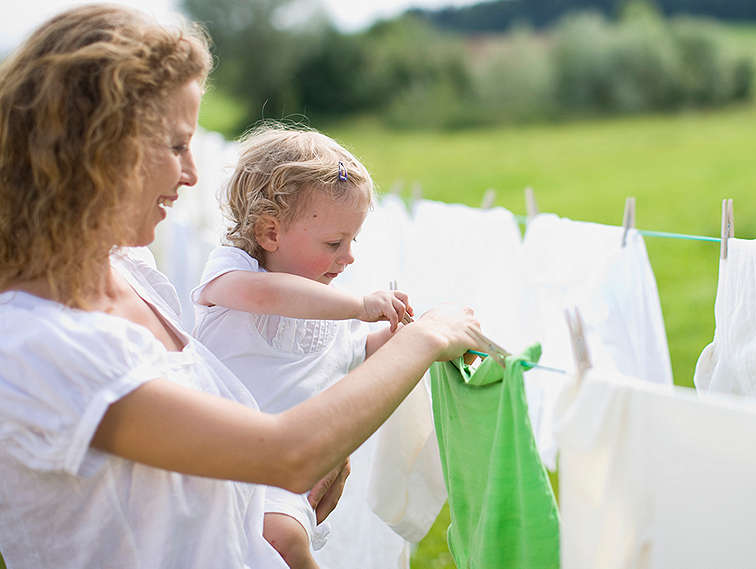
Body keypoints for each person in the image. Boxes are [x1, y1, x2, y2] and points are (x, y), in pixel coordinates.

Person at [0, 5, 482, 569]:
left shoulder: (126, 268)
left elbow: (211, 448)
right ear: (103, 148)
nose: (193, 174)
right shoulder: (33, 346)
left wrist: (304, 464)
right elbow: (285, 452)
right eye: (177, 145)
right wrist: (424, 339)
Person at [190, 125, 413, 569]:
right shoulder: (232, 273)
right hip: (219, 459)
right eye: (334, 243)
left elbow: (355, 354)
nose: (348, 257)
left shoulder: (326, 304)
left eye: (353, 241)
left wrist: (398, 337)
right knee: (281, 541)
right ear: (270, 233)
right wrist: (359, 305)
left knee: (282, 537)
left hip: (285, 474)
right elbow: (268, 295)